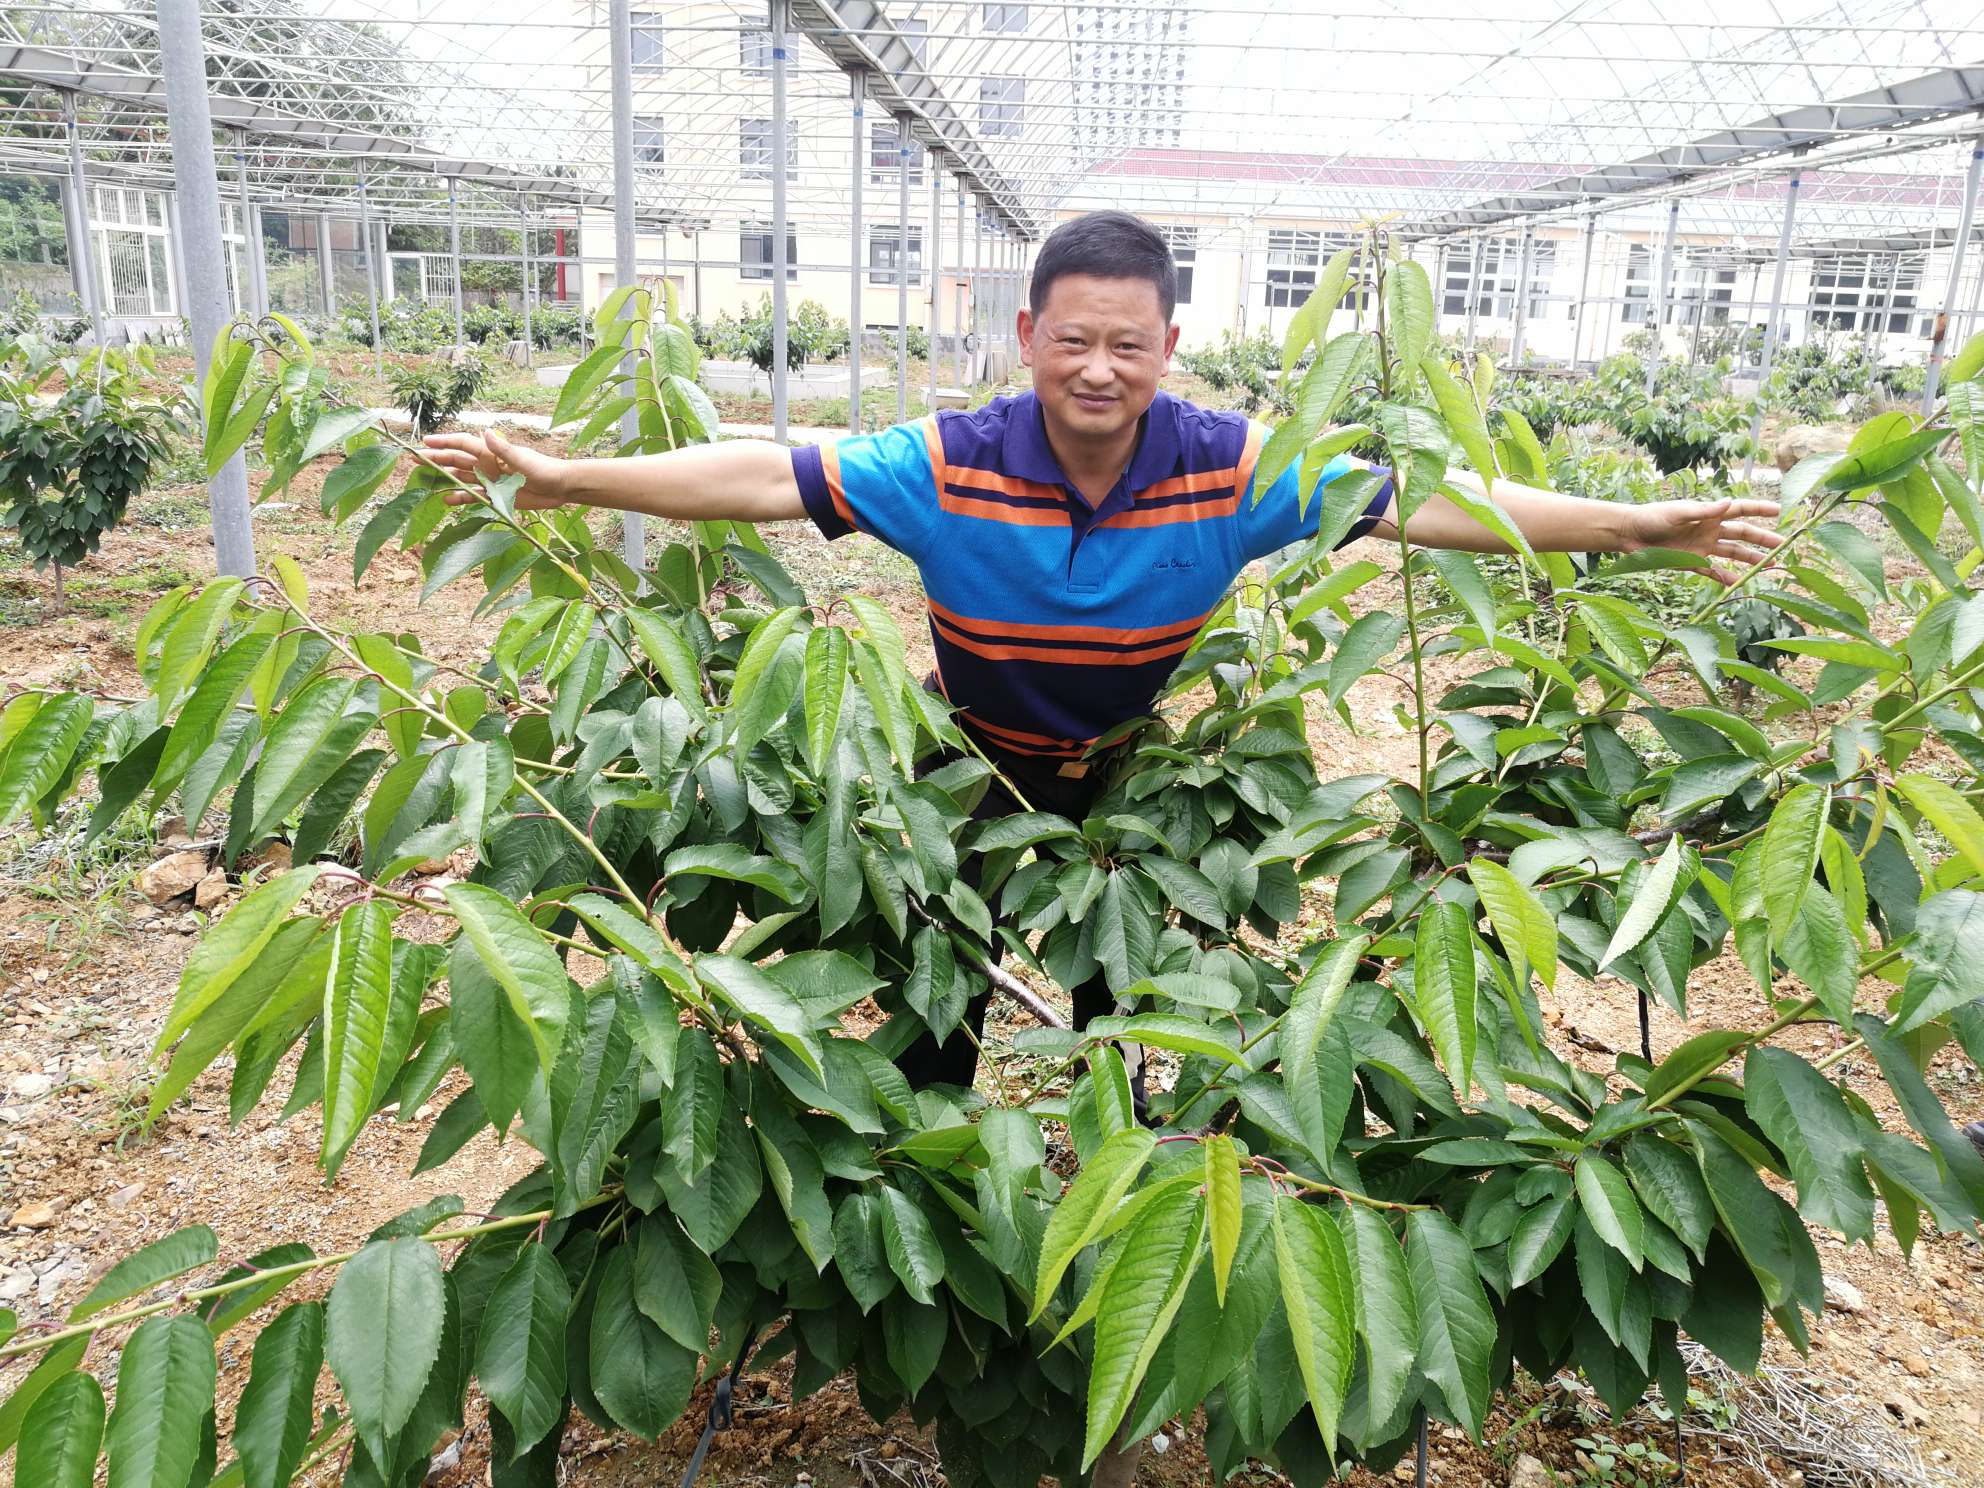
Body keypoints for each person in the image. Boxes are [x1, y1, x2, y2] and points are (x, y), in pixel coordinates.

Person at [422, 209, 1783, 1101]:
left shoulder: (1232, 467)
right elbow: (761, 474)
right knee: (935, 1008)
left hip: (1129, 793)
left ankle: (1111, 1187)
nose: (1097, 367)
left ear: (1168, 348)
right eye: (1071, 339)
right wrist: (563, 478)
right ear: (1027, 337)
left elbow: (1418, 503)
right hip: (962, 776)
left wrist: (1632, 525)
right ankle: (932, 1190)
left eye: (1128, 344)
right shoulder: (950, 460)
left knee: (1113, 1018)